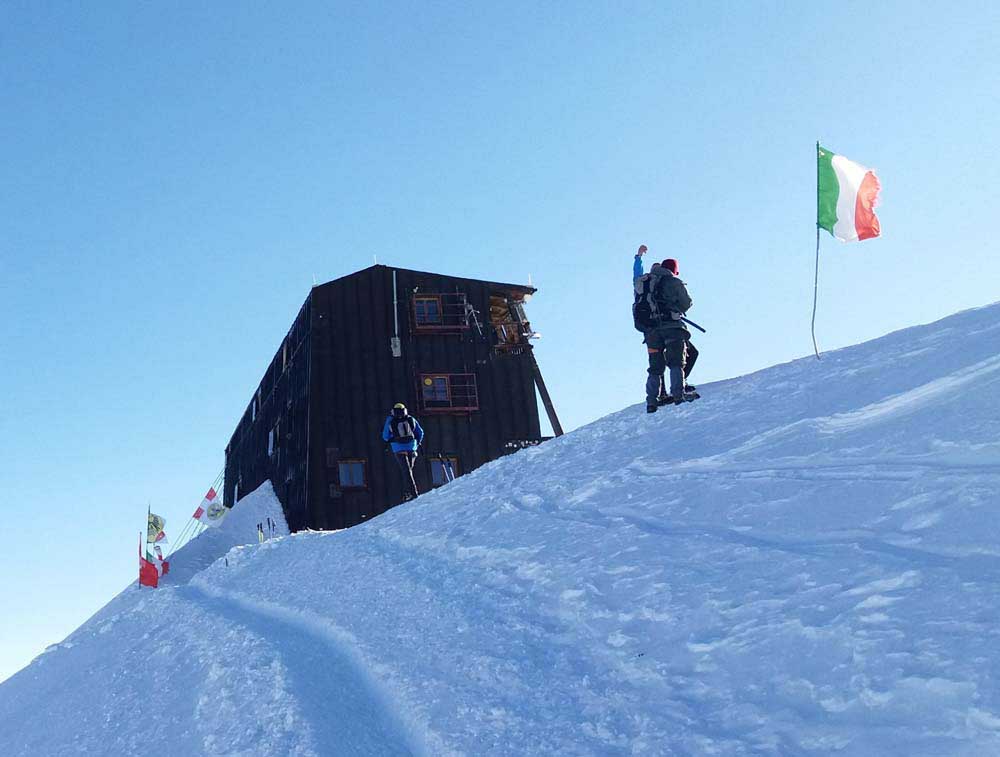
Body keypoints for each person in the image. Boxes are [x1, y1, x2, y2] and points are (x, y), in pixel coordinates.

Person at [633, 252, 698, 413]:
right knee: (676, 362)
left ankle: (651, 402)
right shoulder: (673, 281)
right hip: (672, 329)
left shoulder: (644, 283)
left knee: (655, 367)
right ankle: (678, 394)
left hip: (650, 332)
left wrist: (638, 258)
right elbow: (686, 303)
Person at [382, 402, 424, 500]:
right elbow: (420, 432)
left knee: (406, 472)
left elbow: (385, 436)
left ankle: (413, 494)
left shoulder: (390, 420)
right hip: (411, 448)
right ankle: (409, 493)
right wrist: (417, 443)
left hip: (398, 449)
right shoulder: (410, 418)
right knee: (409, 471)